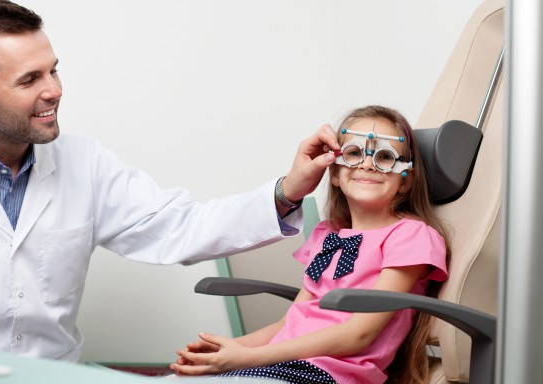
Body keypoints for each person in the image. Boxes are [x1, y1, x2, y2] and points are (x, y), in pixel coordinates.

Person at [0, 0, 340, 361]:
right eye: (29, 79)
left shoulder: (85, 164)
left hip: (56, 376)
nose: (54, 89)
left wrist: (288, 190)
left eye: (53, 69)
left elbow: (180, 228)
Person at [170, 105, 450, 384]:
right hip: (282, 363)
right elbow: (288, 323)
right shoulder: (327, 234)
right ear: (335, 174)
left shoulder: (411, 236)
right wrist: (227, 350)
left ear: (405, 181)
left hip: (327, 375)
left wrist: (247, 358)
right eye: (354, 153)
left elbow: (359, 334)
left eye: (385, 157)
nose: (367, 164)